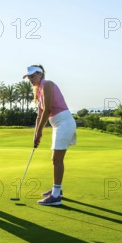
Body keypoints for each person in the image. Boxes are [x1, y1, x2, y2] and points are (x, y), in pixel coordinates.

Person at [24, 64, 76, 206]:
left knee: (56, 159)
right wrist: (36, 134)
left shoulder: (47, 84)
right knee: (55, 159)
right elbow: (39, 115)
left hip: (64, 123)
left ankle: (56, 196)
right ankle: (56, 190)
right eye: (29, 76)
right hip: (57, 125)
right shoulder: (38, 91)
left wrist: (40, 131)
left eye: (33, 75)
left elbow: (47, 110)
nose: (30, 79)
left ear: (40, 74)